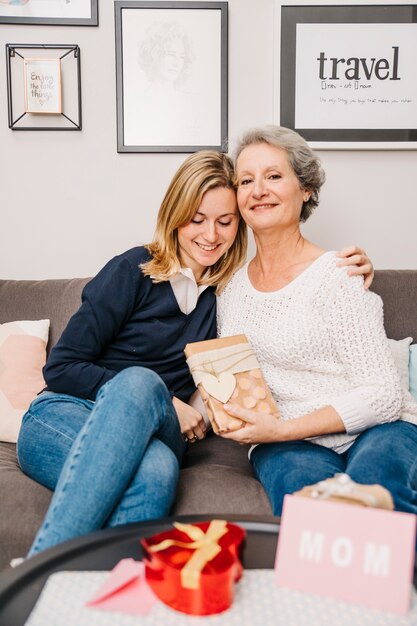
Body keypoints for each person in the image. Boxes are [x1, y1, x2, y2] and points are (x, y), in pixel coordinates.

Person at [17, 147, 372, 558]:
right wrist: (166, 398)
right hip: (63, 417)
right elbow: (61, 367)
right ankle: (87, 583)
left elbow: (275, 319)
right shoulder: (132, 270)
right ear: (175, 215)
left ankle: (43, 576)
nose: (210, 236)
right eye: (197, 219)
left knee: (155, 426)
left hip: (161, 430)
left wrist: (351, 268)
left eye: (225, 222)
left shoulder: (231, 292)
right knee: (154, 467)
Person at [217, 125, 417, 517]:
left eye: (274, 176)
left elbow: (384, 397)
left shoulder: (338, 274)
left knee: (378, 492)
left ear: (305, 189)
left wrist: (283, 430)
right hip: (286, 448)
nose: (258, 190)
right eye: (246, 180)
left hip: (379, 429)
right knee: (312, 511)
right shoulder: (230, 292)